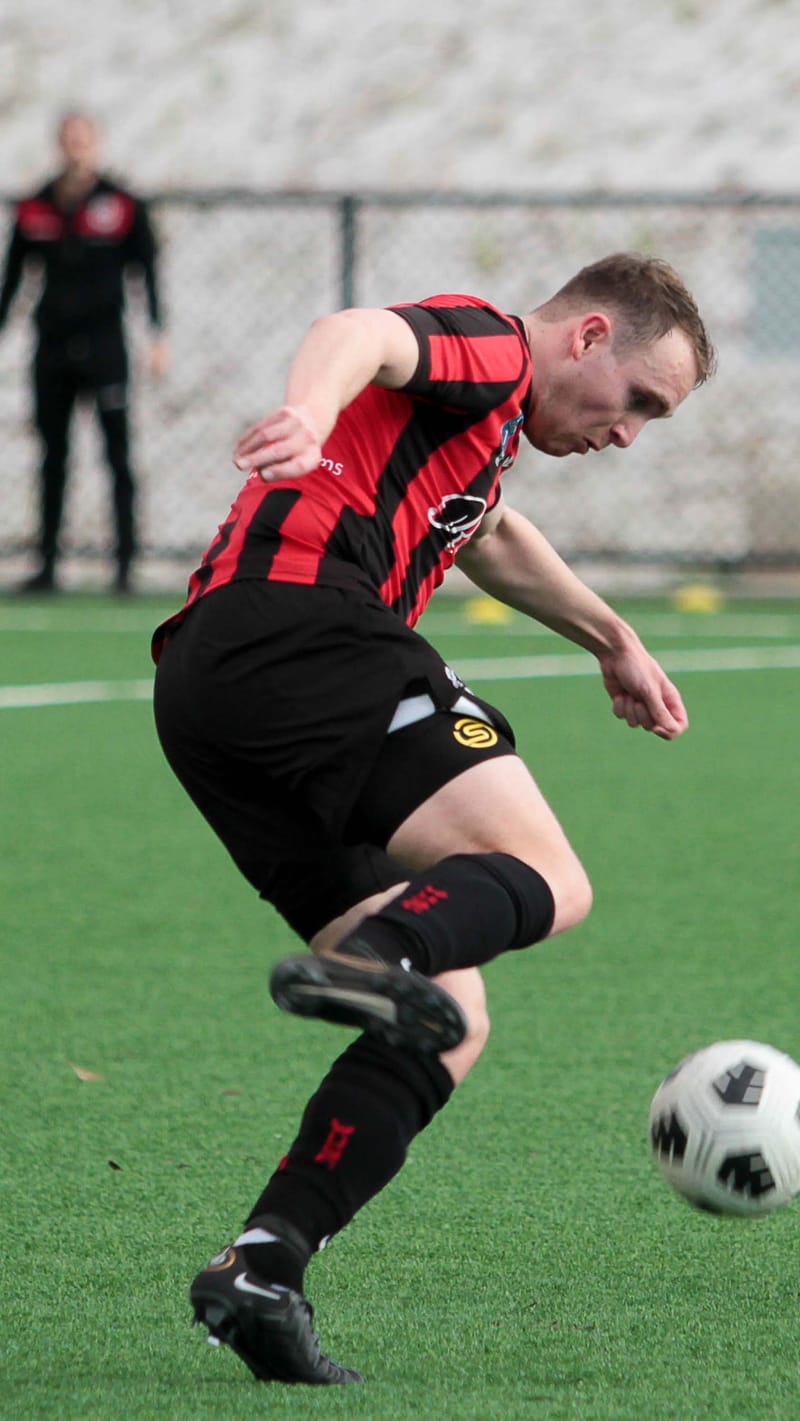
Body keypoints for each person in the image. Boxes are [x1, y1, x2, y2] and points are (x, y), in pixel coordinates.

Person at [156, 252, 713, 1382]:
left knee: (448, 1015)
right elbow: (361, 329)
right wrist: (309, 410)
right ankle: (382, 948)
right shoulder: (497, 347)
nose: (627, 437)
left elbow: (493, 533)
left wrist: (613, 639)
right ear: (590, 337)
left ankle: (264, 1261)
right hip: (303, 626)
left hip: (213, 697)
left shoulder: (481, 436)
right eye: (639, 404)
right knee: (549, 874)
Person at [0, 111, 167, 594]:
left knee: (117, 453)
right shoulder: (35, 207)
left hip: (105, 347)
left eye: (84, 139)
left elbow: (147, 274)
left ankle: (124, 565)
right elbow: (12, 282)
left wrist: (157, 334)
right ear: (59, 144)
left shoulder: (122, 205)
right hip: (51, 348)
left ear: (96, 144)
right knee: (53, 454)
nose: (76, 148)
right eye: (69, 139)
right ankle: (47, 564)